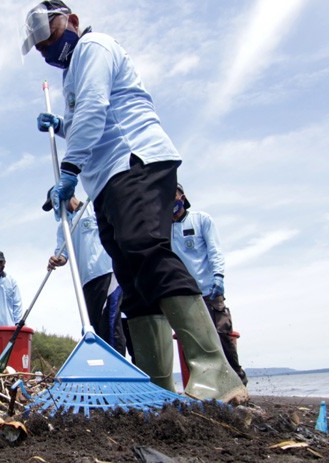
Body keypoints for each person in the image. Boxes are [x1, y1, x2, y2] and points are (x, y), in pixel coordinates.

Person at [22, 0, 247, 402]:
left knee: (146, 250)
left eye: (49, 38)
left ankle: (216, 372)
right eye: (40, 48)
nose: (46, 51)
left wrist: (70, 169)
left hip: (134, 159)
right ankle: (158, 386)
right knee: (131, 277)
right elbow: (84, 121)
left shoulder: (94, 48)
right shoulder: (73, 72)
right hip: (107, 177)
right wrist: (61, 128)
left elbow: (96, 108)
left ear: (71, 21)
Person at [172, 184, 248, 385]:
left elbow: (215, 250)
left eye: (173, 196)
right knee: (195, 344)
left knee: (222, 335)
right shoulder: (163, 230)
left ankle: (238, 381)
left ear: (182, 197)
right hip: (185, 297)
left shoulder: (201, 220)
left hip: (209, 290)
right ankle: (207, 387)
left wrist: (218, 276)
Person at [44, 193, 125, 355]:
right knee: (94, 328)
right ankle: (103, 370)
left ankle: (117, 370)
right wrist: (57, 259)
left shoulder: (92, 207)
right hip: (86, 282)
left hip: (107, 272)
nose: (55, 208)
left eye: (54, 203)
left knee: (110, 324)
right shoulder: (64, 226)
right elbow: (63, 254)